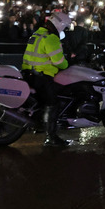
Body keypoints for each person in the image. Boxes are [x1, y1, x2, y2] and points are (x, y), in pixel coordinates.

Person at [22, 11, 72, 146]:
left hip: (29, 73)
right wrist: (67, 63)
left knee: (44, 101)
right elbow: (59, 61)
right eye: (65, 27)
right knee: (53, 103)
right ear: (59, 24)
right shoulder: (51, 38)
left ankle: (38, 124)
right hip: (42, 76)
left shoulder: (38, 33)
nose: (64, 30)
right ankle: (51, 137)